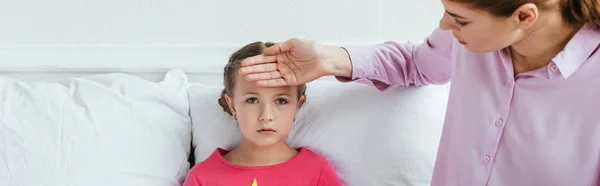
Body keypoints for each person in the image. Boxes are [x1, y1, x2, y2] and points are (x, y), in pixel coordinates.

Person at [237, 0, 600, 185]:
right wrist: (328, 59)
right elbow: (417, 62)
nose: (445, 25)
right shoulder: (469, 41)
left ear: (524, 17)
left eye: (459, 19)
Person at [183, 41, 343, 186]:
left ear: (297, 105)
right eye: (252, 100)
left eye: (281, 101)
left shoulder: (317, 172)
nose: (266, 116)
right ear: (232, 105)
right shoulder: (202, 178)